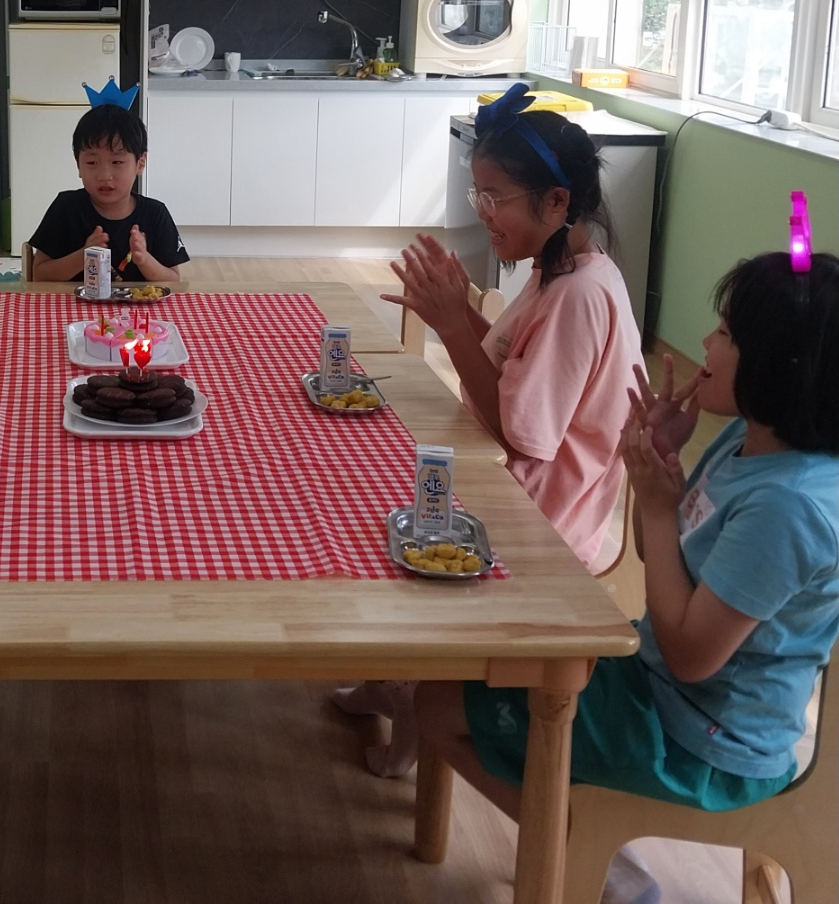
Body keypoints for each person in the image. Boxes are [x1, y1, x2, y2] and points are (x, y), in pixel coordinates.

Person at [414, 250, 839, 904]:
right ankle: (581, 837)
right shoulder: (746, 443)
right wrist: (659, 464)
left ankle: (594, 857)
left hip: (702, 741)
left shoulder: (788, 507)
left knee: (437, 705)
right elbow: (657, 551)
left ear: (782, 366)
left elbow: (691, 655)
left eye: (725, 333)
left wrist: (661, 503)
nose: (704, 343)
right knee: (484, 659)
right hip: (664, 686)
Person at [335, 83, 643, 775]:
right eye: (479, 193)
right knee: (361, 469)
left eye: (495, 196)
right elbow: (511, 369)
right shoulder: (559, 269)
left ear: (556, 201)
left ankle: (414, 697)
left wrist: (451, 324)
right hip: (516, 481)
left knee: (369, 508)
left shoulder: (578, 295)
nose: (482, 211)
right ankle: (392, 677)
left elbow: (519, 437)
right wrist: (456, 315)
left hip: (536, 516)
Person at [29, 104, 189, 284]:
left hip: (137, 303)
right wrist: (84, 255)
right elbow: (40, 275)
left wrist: (144, 259)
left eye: (117, 162)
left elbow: (174, 280)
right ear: (78, 165)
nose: (105, 176)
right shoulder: (66, 207)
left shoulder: (155, 213)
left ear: (140, 163)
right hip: (74, 302)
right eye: (92, 163)